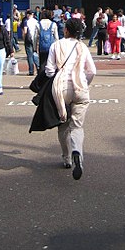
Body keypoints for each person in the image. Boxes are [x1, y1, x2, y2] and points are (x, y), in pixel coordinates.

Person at [45, 18, 96, 180]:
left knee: (63, 125)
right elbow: (92, 71)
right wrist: (84, 83)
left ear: (66, 30)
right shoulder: (82, 47)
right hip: (80, 87)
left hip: (61, 90)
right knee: (77, 127)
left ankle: (66, 158)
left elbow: (49, 70)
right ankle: (77, 153)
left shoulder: (56, 45)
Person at [22, 10, 40, 77]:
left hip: (28, 40)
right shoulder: (36, 21)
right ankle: (38, 68)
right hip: (34, 40)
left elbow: (25, 31)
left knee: (29, 55)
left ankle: (31, 71)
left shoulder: (26, 21)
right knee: (35, 53)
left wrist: (24, 38)